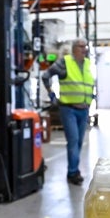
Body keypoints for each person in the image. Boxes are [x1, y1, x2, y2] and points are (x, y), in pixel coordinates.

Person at [43, 37, 94, 185]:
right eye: (81, 46)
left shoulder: (87, 64)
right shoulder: (65, 63)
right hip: (68, 109)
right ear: (74, 48)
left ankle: (74, 168)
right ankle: (73, 172)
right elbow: (46, 76)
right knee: (73, 140)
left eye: (85, 46)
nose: (84, 49)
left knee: (78, 142)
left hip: (84, 109)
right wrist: (52, 95)